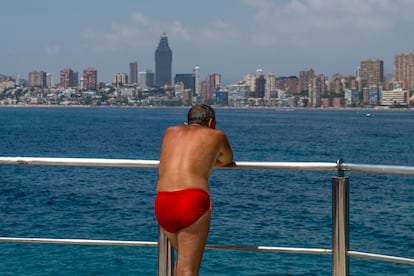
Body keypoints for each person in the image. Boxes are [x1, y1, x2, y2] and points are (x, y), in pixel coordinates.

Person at [154, 104, 235, 275]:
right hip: (191, 200)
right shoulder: (217, 135)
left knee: (182, 262)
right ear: (211, 122)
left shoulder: (170, 132)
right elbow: (227, 160)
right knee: (188, 270)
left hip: (163, 201)